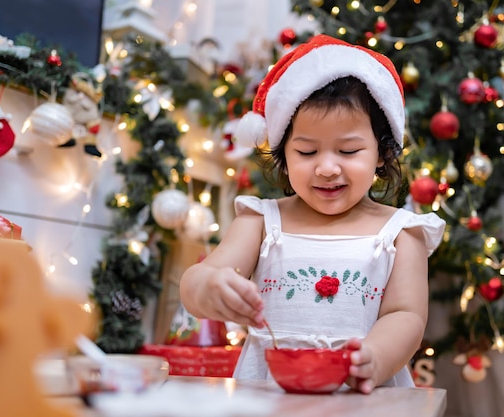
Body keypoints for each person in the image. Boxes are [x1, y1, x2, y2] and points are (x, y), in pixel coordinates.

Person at [179, 34, 445, 394]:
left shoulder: (401, 231)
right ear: (283, 154)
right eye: (306, 152)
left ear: (381, 154)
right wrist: (209, 287)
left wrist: (376, 356)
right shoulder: (260, 222)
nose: (327, 168)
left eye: (349, 151)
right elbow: (199, 282)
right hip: (269, 395)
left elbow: (407, 316)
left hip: (362, 396)